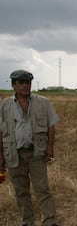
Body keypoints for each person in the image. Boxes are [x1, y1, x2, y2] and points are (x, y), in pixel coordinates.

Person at [0, 70, 59, 226]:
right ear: (14, 85)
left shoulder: (43, 102)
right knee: (21, 190)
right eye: (21, 83)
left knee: (42, 188)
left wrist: (50, 146)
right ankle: (27, 221)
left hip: (36, 152)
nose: (25, 86)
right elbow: (1, 131)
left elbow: (51, 125)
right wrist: (0, 156)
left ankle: (50, 221)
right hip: (14, 153)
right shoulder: (5, 105)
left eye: (28, 82)